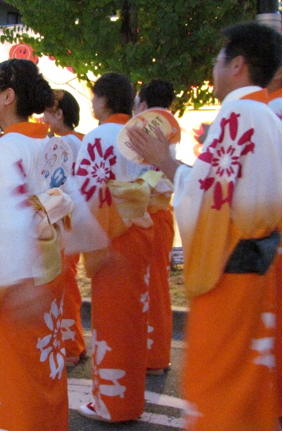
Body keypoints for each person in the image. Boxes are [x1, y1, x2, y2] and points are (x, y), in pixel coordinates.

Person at [128, 22, 281, 430]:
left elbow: (210, 197)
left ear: (238, 65)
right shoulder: (265, 115)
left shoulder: (239, 113)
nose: (213, 70)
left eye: (218, 60)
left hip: (230, 270)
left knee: (221, 384)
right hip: (259, 266)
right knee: (246, 381)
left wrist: (164, 161)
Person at [0, 59, 71, 430]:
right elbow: (67, 203)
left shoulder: (6, 149)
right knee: (43, 367)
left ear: (7, 95)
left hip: (16, 277)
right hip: (49, 266)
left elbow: (5, 221)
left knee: (14, 376)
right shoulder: (53, 144)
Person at [74, 73, 154, 423]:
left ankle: (110, 403)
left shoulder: (98, 136)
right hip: (141, 232)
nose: (92, 103)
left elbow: (86, 193)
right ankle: (131, 400)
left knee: (110, 321)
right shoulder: (144, 133)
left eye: (94, 97)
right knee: (133, 318)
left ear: (104, 100)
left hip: (109, 237)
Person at [134, 79, 176, 375]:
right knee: (156, 285)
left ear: (145, 104)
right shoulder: (170, 128)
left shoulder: (152, 128)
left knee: (153, 288)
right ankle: (155, 353)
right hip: (159, 214)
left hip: (151, 214)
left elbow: (150, 176)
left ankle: (154, 356)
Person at [43, 89, 87, 367]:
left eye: (47, 112)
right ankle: (75, 344)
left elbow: (53, 184)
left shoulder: (62, 145)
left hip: (64, 220)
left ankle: (70, 347)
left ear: (59, 114)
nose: (43, 117)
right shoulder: (82, 140)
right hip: (80, 219)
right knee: (69, 282)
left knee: (64, 286)